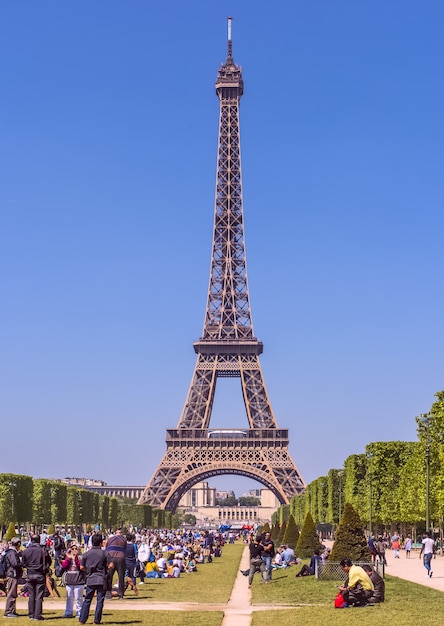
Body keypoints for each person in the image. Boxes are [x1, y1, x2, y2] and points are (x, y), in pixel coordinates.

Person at [79, 534, 109, 625]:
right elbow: (111, 565)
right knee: (100, 600)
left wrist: (88, 570)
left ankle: (82, 620)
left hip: (90, 578)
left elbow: (81, 567)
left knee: (87, 599)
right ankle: (96, 620)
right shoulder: (105, 553)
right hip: (101, 578)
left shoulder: (86, 554)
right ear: (101, 543)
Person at [22, 534, 52, 621]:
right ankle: (37, 615)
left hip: (30, 573)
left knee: (31, 595)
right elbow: (49, 561)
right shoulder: (43, 550)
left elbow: (23, 563)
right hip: (40, 574)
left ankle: (31, 614)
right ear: (39, 541)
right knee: (39, 595)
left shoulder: (26, 551)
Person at [60, 545, 84, 618]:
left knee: (79, 598)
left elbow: (80, 566)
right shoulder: (68, 558)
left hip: (78, 580)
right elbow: (64, 566)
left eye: (75, 548)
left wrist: (75, 558)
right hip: (69, 580)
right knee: (69, 598)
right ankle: (68, 612)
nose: (74, 550)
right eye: (72, 549)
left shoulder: (81, 558)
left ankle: (79, 612)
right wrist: (68, 559)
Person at [3, 537, 23, 618]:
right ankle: (8, 611)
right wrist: (22, 563)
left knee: (13, 593)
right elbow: (15, 564)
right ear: (18, 544)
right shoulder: (12, 552)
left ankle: (12, 610)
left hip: (11, 574)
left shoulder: (10, 551)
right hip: (12, 574)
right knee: (11, 593)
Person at [104, 529, 127, 598]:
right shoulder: (124, 539)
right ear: (121, 533)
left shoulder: (110, 539)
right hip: (121, 558)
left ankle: (108, 594)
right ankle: (121, 594)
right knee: (121, 576)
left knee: (109, 576)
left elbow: (106, 548)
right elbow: (125, 549)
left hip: (111, 557)